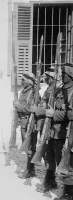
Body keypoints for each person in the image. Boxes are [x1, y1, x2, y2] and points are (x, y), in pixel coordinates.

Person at [45, 63, 73, 200]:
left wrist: (54, 114)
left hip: (68, 132)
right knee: (60, 162)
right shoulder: (61, 90)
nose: (61, 75)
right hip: (56, 131)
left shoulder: (72, 91)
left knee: (68, 165)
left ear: (70, 75)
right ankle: (64, 191)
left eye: (64, 73)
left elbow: (71, 114)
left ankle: (69, 194)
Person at [33, 71, 63, 194]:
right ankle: (50, 181)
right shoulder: (49, 90)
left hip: (58, 128)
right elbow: (45, 106)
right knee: (48, 154)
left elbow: (49, 109)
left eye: (48, 77)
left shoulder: (59, 90)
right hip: (48, 126)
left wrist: (37, 111)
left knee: (58, 156)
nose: (45, 78)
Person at [13, 72, 38, 179]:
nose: (21, 82)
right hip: (23, 122)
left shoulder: (33, 93)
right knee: (27, 146)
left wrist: (18, 106)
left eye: (23, 80)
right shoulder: (23, 92)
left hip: (30, 123)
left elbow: (30, 109)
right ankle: (31, 170)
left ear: (30, 81)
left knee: (29, 148)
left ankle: (29, 170)